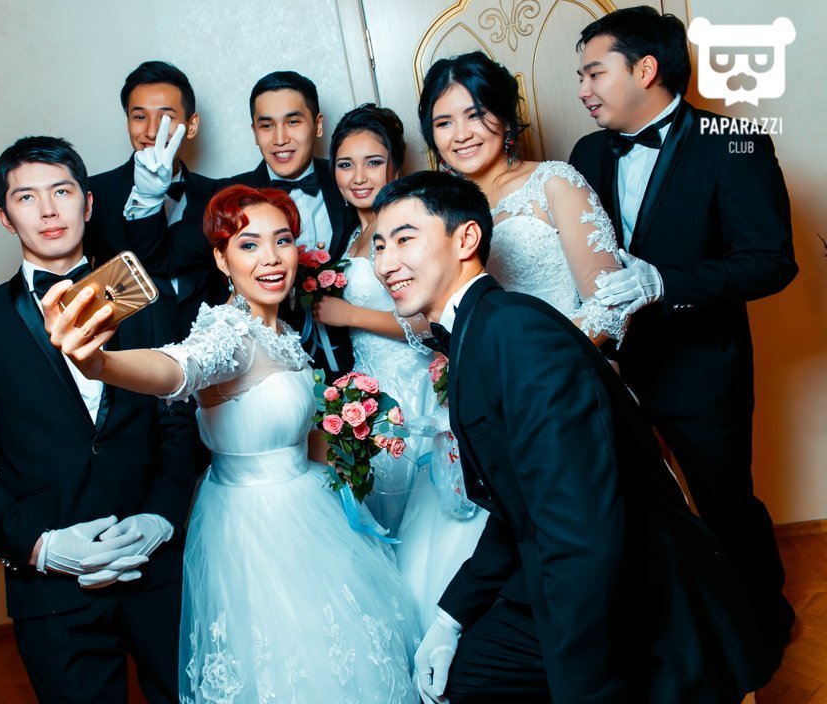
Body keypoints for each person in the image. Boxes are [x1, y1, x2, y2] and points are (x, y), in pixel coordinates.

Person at [373, 170, 778, 703]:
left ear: (466, 238)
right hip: (556, 566)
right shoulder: (479, 328)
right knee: (467, 675)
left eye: (404, 239)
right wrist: (451, 619)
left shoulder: (517, 334)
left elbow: (583, 531)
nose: (386, 263)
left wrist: (587, 690)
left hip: (635, 594)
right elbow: (520, 508)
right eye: (379, 245)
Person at [42, 184, 420, 703]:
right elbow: (178, 366)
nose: (271, 258)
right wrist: (100, 364)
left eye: (282, 240)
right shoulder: (228, 331)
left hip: (314, 509)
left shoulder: (282, 330)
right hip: (258, 530)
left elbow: (302, 434)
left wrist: (353, 449)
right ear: (221, 260)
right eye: (248, 244)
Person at [0, 136, 205, 702]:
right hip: (53, 591)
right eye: (26, 197)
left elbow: (180, 425)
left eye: (61, 192)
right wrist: (39, 546)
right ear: (5, 217)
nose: (48, 210)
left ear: (88, 203)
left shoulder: (151, 302)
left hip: (158, 571)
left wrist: (162, 517)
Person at [570, 7, 797, 655]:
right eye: (581, 76)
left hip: (703, 371)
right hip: (613, 370)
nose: (583, 89)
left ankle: (765, 630)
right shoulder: (587, 153)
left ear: (645, 68)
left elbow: (771, 261)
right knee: (633, 511)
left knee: (725, 507)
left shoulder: (736, 142)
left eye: (594, 72)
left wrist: (666, 283)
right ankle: (685, 642)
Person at [314, 103, 486, 630]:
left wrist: (349, 314)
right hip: (372, 397)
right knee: (384, 520)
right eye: (345, 164)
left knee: (429, 515)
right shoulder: (349, 236)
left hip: (418, 387)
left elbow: (435, 320)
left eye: (373, 162)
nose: (358, 176)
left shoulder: (412, 228)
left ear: (395, 163)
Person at [419, 51, 627, 346]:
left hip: (560, 363)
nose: (461, 134)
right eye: (444, 123)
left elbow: (610, 305)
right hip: (484, 370)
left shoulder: (553, 183)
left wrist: (533, 362)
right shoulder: (436, 210)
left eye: (475, 115)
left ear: (505, 119)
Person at [227, 71, 359, 373]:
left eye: (293, 122)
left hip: (357, 359)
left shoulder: (351, 177)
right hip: (272, 367)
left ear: (318, 124)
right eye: (266, 125)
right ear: (254, 131)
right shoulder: (231, 196)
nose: (280, 139)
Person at [85, 60, 223, 337]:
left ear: (191, 125)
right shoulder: (94, 194)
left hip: (211, 349)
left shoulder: (218, 196)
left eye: (166, 118)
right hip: (127, 354)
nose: (151, 132)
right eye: (139, 117)